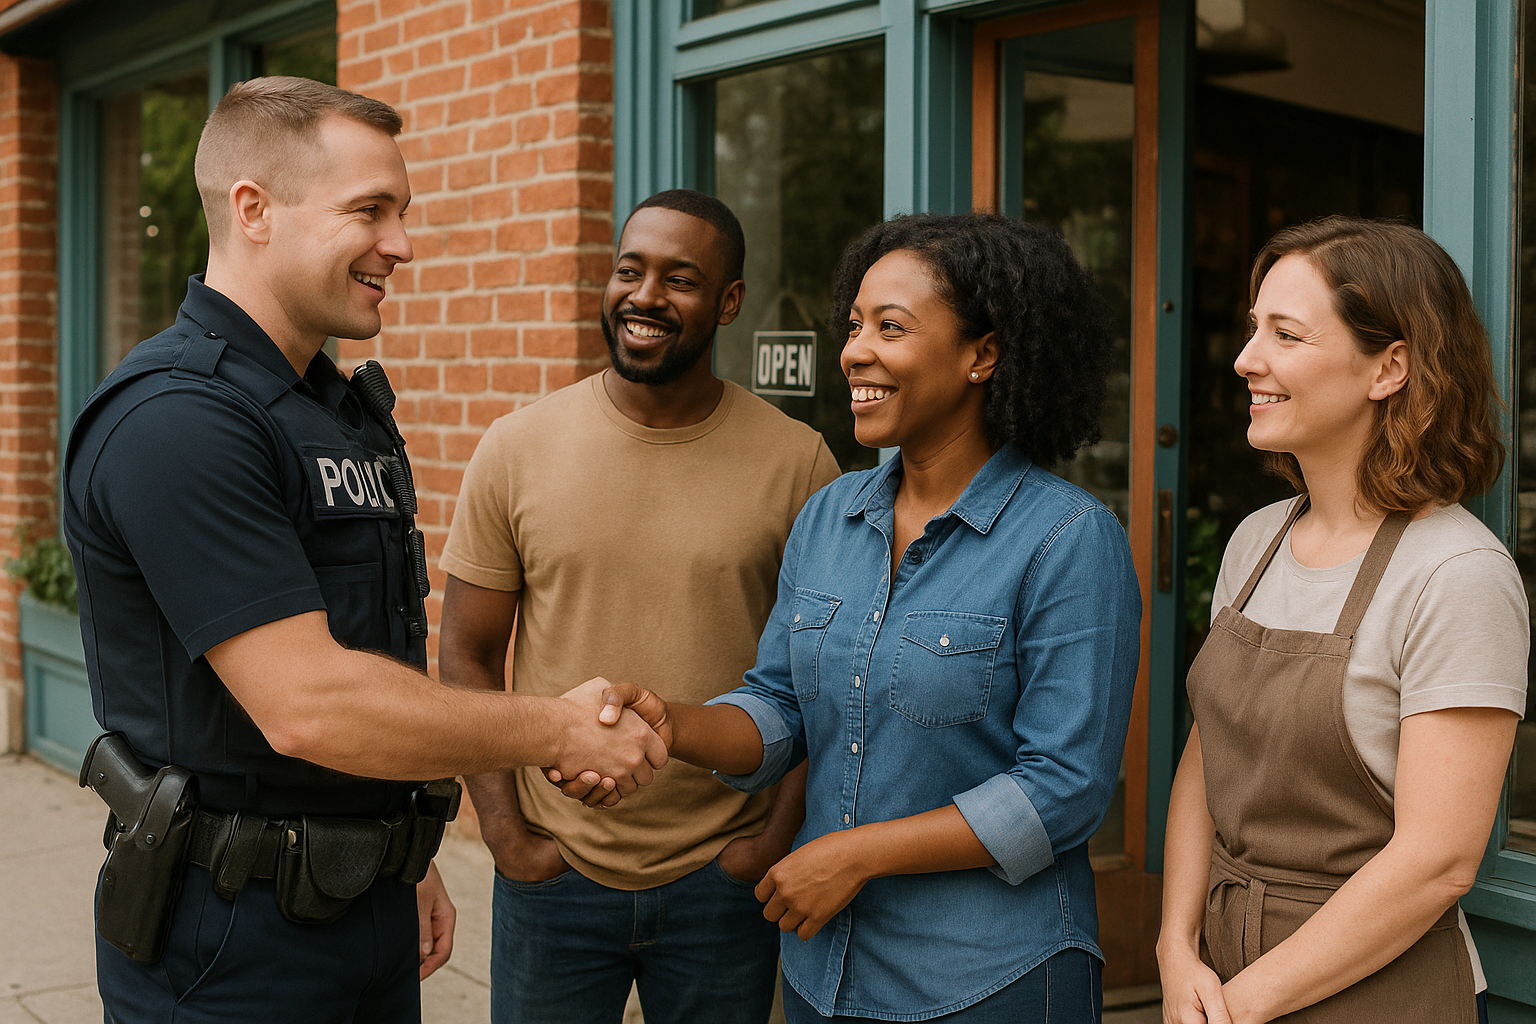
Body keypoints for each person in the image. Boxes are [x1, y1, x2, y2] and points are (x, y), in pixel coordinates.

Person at [62, 77, 665, 1024]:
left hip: (357, 900)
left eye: (404, 211)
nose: (402, 243)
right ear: (254, 211)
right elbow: (309, 705)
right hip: (229, 943)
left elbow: (377, 656)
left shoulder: (332, 410)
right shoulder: (177, 419)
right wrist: (555, 728)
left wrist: (397, 849)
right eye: (368, 210)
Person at [579, 212, 1142, 1022]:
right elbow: (779, 706)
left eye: (892, 327)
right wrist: (672, 724)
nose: (855, 351)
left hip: (989, 980)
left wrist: (856, 857)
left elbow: (1065, 788)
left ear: (983, 354)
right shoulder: (830, 516)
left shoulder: (1066, 538)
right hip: (824, 971)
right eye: (853, 326)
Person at [437, 189, 840, 1024]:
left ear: (728, 302)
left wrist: (770, 842)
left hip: (722, 882)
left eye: (680, 278)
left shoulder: (798, 463)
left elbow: (821, 677)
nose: (645, 296)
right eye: (630, 270)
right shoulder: (516, 448)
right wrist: (508, 837)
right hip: (556, 875)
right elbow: (468, 655)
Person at [1156, 217, 1528, 1024]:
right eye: (1255, 328)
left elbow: (1439, 862)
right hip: (1215, 972)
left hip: (1372, 988)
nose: (1246, 358)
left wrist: (1244, 1004)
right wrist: (1175, 946)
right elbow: (1205, 758)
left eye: (1286, 335)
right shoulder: (1258, 540)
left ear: (1389, 367)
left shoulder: (1457, 574)